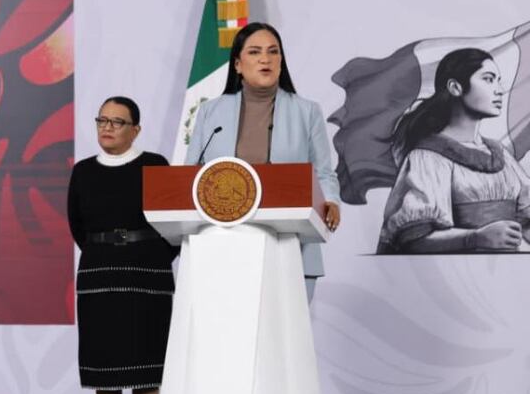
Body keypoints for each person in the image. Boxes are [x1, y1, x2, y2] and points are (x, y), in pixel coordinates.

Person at [185, 22, 341, 299]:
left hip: (289, 241)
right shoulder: (211, 113)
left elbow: (324, 173)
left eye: (273, 52)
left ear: (281, 61)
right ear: (237, 64)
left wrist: (331, 201)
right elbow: (191, 174)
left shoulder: (306, 111)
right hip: (223, 242)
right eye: (255, 52)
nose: (265, 59)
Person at [67, 96, 179, 394]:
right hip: (99, 272)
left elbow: (172, 222)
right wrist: (105, 251)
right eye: (102, 120)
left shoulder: (154, 166)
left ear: (136, 129)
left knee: (146, 366)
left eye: (117, 121)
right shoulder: (82, 171)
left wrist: (150, 254)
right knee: (106, 365)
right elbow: (77, 226)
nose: (107, 127)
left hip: (147, 271)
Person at [378, 48, 530, 253]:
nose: (499, 90)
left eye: (498, 80)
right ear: (455, 87)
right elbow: (413, 240)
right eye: (488, 79)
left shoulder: (501, 155)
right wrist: (475, 238)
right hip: (458, 274)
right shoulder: (428, 157)